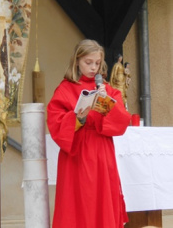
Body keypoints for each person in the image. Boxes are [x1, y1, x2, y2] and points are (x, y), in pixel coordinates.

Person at [47, 39, 131, 228]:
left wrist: (106, 101)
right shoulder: (65, 89)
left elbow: (122, 121)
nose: (94, 68)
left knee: (102, 202)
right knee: (78, 204)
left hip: (102, 153)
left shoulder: (107, 89)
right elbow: (55, 123)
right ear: (77, 61)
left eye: (97, 63)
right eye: (88, 62)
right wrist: (79, 118)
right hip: (77, 155)